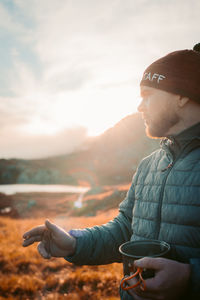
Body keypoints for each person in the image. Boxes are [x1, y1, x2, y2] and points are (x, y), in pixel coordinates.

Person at [23, 43, 200, 300]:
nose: (140, 106)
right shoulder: (149, 164)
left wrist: (190, 278)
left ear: (182, 95)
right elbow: (125, 230)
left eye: (148, 94)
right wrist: (74, 244)